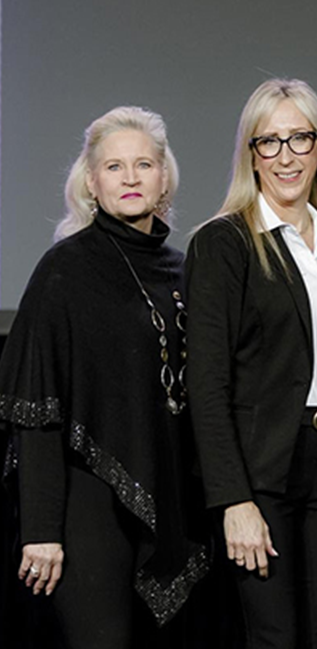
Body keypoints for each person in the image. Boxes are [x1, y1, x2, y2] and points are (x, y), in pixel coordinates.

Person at [0, 106, 208, 648]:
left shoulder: (183, 271)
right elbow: (36, 411)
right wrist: (41, 532)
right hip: (88, 506)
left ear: (165, 177)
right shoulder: (64, 272)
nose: (131, 177)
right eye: (115, 167)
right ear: (92, 181)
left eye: (144, 164)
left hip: (172, 496)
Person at [186, 78, 317, 649]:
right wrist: (234, 500)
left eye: (299, 139)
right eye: (269, 142)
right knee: (274, 638)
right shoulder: (224, 244)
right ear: (252, 155)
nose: (286, 156)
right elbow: (207, 384)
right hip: (262, 473)